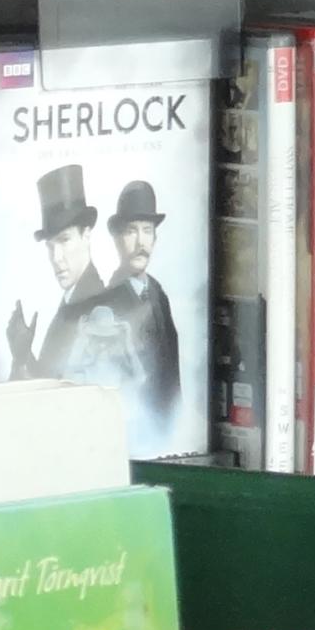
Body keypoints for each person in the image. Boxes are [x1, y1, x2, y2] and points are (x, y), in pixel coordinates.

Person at [3, 160, 139, 397]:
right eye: (50, 246)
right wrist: (22, 357)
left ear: (86, 235)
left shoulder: (100, 309)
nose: (56, 258)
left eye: (64, 240)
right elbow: (53, 384)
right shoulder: (71, 303)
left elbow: (74, 400)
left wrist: (23, 360)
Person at [104, 175, 182, 446]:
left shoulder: (158, 294)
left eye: (147, 230)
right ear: (117, 239)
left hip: (167, 434)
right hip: (131, 438)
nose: (141, 242)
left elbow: (172, 374)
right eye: (131, 231)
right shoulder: (107, 305)